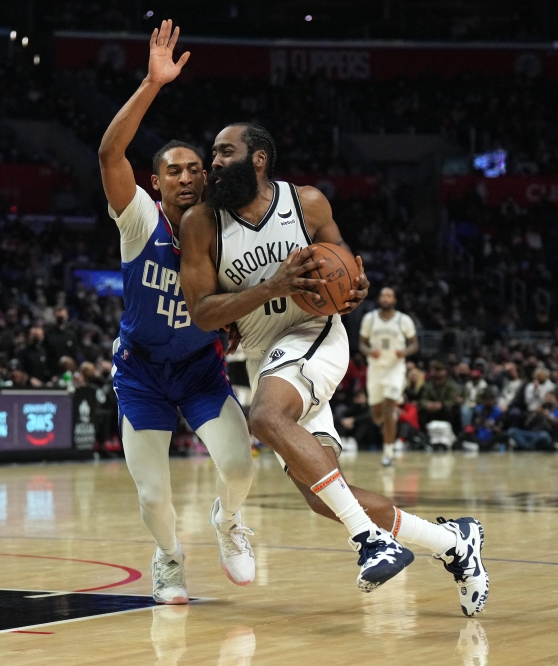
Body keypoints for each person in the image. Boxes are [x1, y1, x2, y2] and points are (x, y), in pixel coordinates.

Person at [179, 119, 488, 615]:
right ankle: (453, 542)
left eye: (224, 152)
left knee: (264, 418)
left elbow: (343, 262)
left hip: (313, 334)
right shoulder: (201, 223)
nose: (213, 162)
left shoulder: (306, 203)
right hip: (263, 355)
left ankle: (369, 540)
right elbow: (201, 313)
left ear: (258, 158)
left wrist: (356, 286)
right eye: (212, 152)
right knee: (324, 495)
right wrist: (268, 289)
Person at [98, 20, 255, 605]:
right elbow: (110, 151)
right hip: (142, 372)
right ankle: (168, 557)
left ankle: (228, 521)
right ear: (156, 181)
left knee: (239, 468)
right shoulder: (139, 217)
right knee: (152, 497)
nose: (187, 176)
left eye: (196, 168)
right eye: (174, 170)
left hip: (199, 369)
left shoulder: (225, 227)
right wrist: (152, 83)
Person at [359, 287, 418, 467]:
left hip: (395, 369)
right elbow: (361, 343)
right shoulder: (370, 319)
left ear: (394, 300)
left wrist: (405, 352)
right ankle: (388, 425)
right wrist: (369, 351)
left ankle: (388, 453)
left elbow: (415, 344)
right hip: (376, 369)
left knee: (388, 407)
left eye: (389, 295)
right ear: (379, 299)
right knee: (377, 415)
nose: (385, 298)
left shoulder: (403, 320)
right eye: (383, 295)